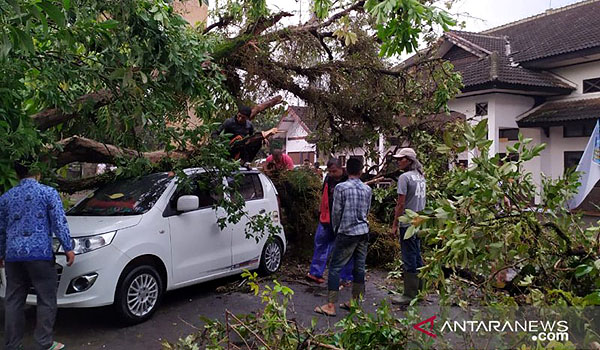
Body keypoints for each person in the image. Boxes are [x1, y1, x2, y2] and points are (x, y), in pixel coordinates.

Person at [0, 161, 75, 350]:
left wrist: (1, 253)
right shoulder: (48, 193)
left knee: (14, 300)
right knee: (46, 299)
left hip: (13, 256)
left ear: (17, 175)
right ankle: (44, 343)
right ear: (38, 173)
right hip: (40, 254)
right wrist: (68, 247)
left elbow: (1, 230)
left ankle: (12, 345)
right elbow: (59, 221)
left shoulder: (6, 198)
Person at [314, 158, 372, 317]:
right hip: (363, 232)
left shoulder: (341, 188)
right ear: (360, 171)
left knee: (334, 267)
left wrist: (336, 229)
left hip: (346, 232)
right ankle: (356, 302)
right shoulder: (367, 189)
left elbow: (336, 212)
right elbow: (367, 210)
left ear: (347, 169)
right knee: (359, 268)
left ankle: (331, 305)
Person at [307, 159, 354, 285]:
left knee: (344, 248)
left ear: (341, 168)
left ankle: (346, 278)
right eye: (330, 171)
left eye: (334, 171)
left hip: (344, 219)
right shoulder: (328, 178)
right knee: (321, 242)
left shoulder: (348, 179)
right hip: (327, 217)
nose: (332, 174)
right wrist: (320, 210)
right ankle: (315, 273)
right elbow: (324, 195)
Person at [389, 148, 426, 305]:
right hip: (419, 221)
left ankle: (409, 295)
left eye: (401, 159)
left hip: (408, 222)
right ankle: (420, 291)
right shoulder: (420, 176)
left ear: (409, 160)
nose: (398, 161)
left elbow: (401, 203)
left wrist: (395, 224)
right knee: (417, 254)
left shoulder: (404, 177)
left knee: (409, 256)